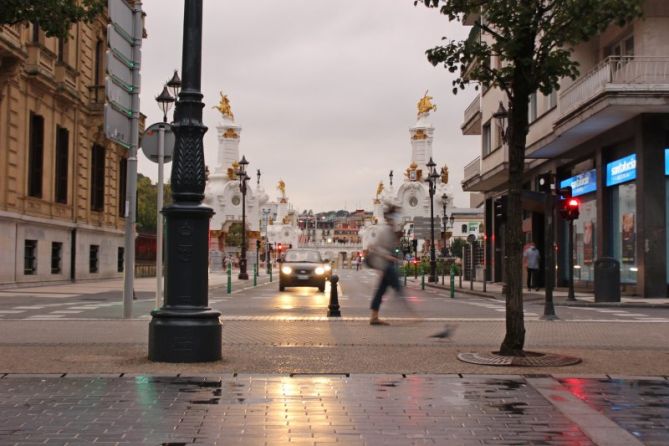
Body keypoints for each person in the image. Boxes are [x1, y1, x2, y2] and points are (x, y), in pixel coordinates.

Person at [368, 205, 404, 325]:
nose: (395, 220)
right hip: (384, 263)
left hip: (387, 263)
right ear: (390, 218)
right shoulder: (384, 230)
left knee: (381, 290)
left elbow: (394, 246)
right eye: (394, 217)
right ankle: (407, 308)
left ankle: (374, 317)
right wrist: (387, 256)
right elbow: (374, 246)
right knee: (396, 285)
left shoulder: (391, 230)